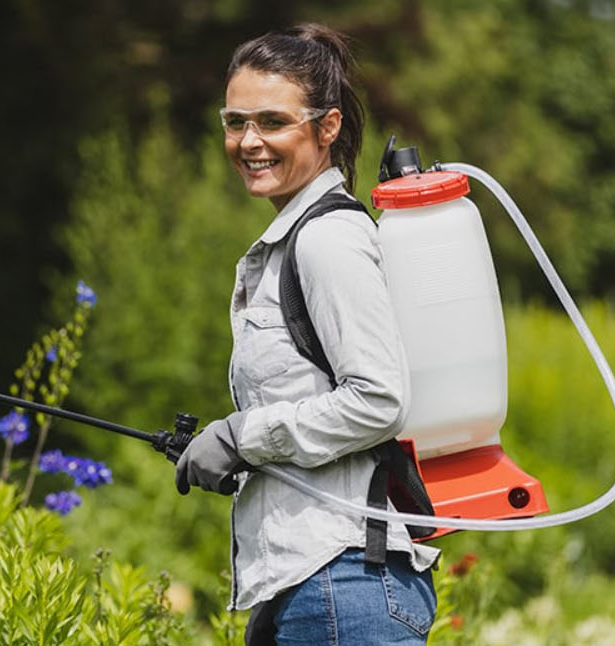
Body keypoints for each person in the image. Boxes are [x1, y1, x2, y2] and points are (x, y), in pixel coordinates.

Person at [170, 23, 439, 645]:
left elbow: (378, 399)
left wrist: (244, 435)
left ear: (328, 127)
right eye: (235, 122)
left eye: (271, 121)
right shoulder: (293, 241)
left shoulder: (327, 240)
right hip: (308, 585)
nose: (249, 141)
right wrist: (241, 449)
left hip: (345, 584)